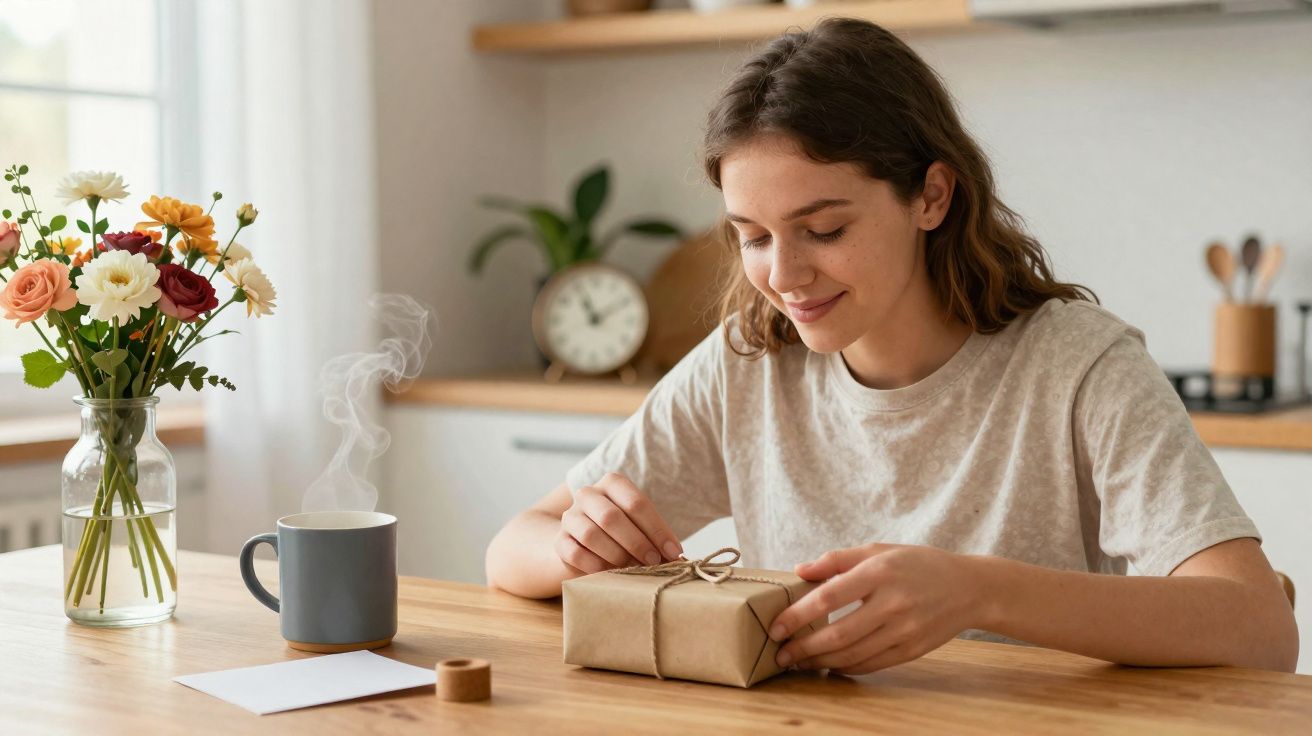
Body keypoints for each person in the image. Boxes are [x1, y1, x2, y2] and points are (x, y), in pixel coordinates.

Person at [485, 17, 1298, 674]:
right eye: (753, 237)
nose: (785, 274)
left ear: (932, 197)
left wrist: (978, 594)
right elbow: (510, 550)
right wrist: (574, 544)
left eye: (825, 228)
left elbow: (1259, 624)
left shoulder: (1078, 365)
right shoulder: (748, 365)